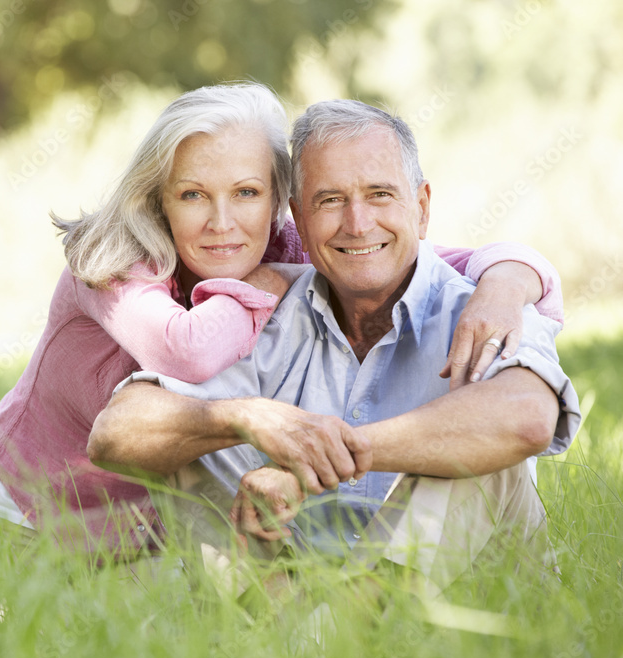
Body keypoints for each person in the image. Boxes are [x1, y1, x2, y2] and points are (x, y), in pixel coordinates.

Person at [0, 84, 565, 585]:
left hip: (142, 535)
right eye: (194, 195)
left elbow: (402, 254)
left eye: (248, 191)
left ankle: (344, 626)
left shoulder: (298, 244)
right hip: (19, 511)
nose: (222, 222)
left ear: (278, 201)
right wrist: (261, 296)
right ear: (159, 200)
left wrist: (507, 281)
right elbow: (189, 350)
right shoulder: (115, 263)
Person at [87, 99, 581, 595]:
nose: (358, 223)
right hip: (298, 595)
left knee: (472, 450)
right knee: (196, 440)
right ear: (299, 221)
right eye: (330, 201)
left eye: (380, 194)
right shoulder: (268, 308)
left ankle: (343, 634)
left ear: (422, 207)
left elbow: (528, 417)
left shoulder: (487, 308)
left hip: (468, 605)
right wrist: (246, 418)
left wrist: (318, 461)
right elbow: (114, 433)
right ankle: (319, 632)